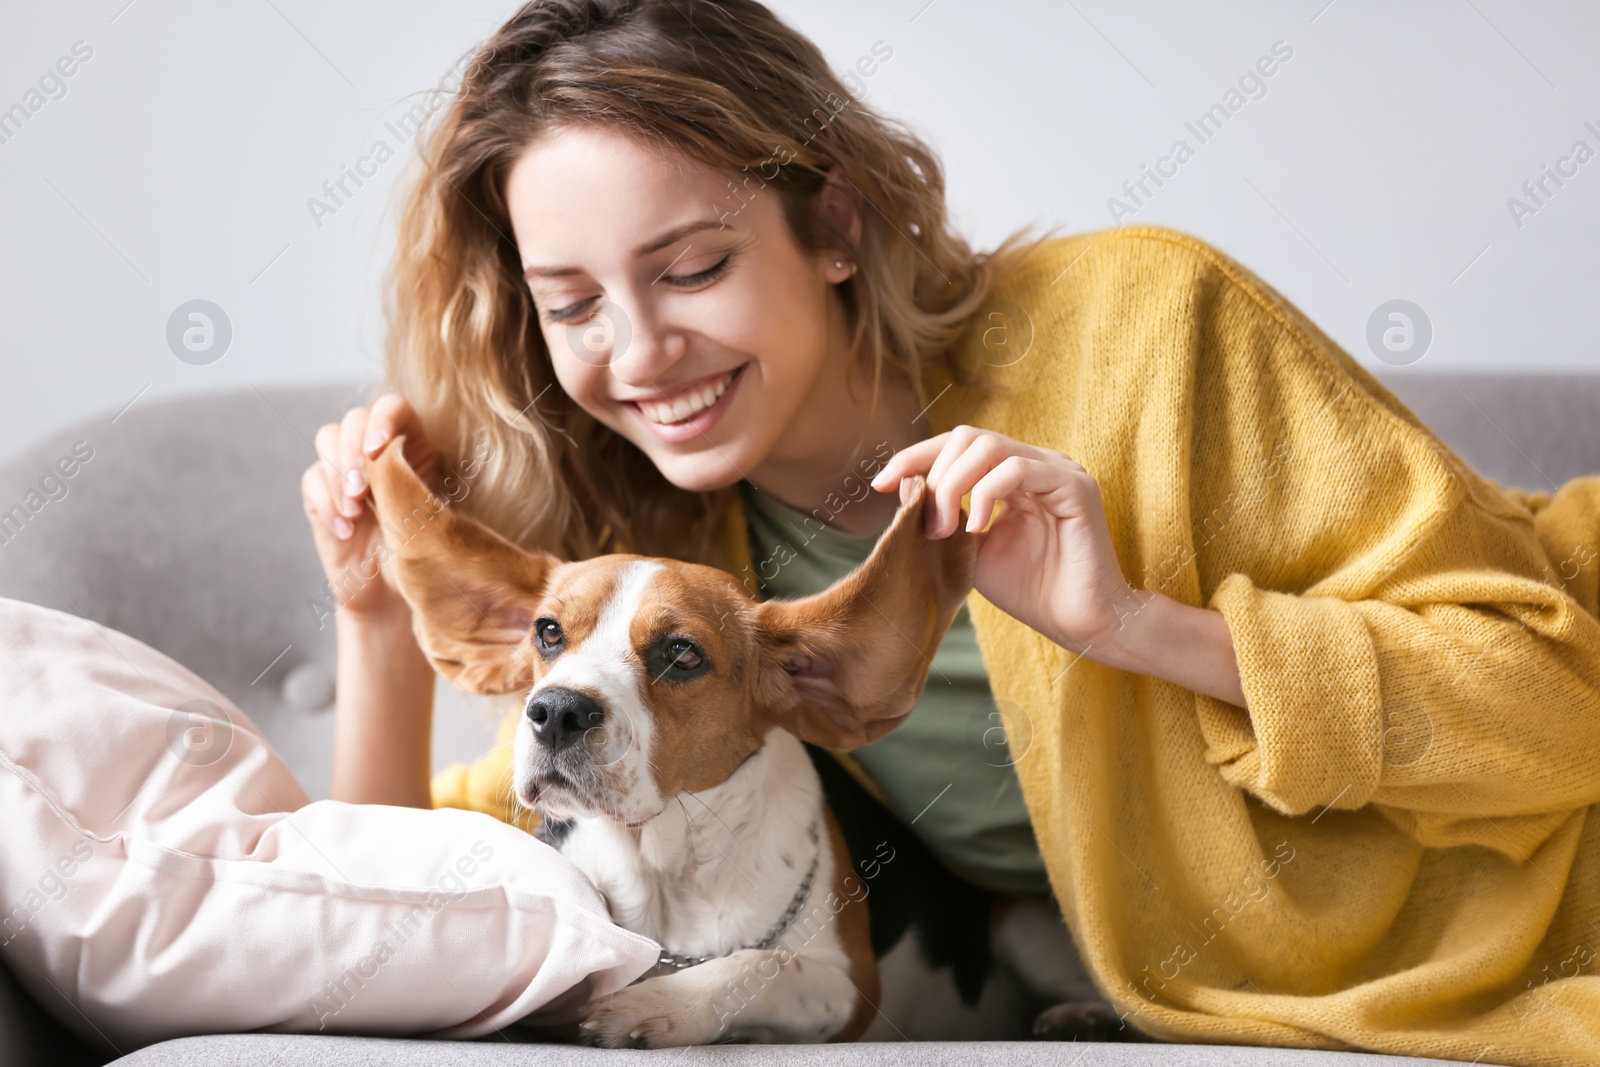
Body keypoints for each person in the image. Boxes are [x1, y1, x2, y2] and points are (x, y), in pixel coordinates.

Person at [298, 1, 1600, 1063]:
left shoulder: (1150, 325)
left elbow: (1555, 710)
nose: (640, 354)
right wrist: (375, 618)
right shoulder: (667, 559)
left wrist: (1137, 628)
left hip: (1545, 903)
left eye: (694, 268)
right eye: (573, 302)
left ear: (838, 225)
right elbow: (399, 912)